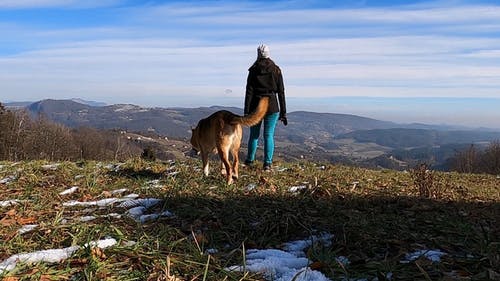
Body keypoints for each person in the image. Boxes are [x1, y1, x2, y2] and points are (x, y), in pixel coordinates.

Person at [244, 44, 287, 171]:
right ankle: (267, 164)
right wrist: (283, 112)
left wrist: (246, 111)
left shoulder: (253, 70)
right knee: (268, 135)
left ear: (258, 54)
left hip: (256, 106)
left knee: (254, 135)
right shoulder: (276, 70)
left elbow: (249, 92)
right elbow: (281, 92)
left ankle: (249, 161)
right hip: (272, 105)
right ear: (269, 54)